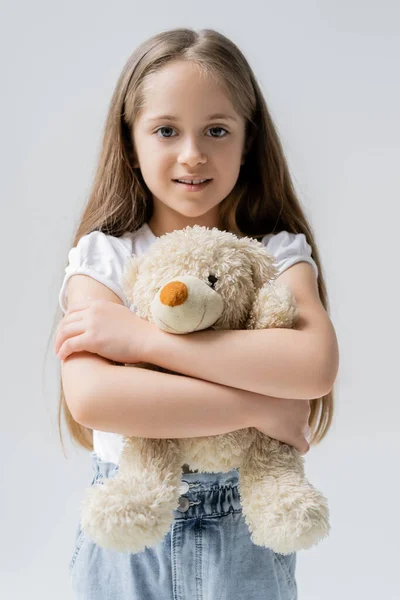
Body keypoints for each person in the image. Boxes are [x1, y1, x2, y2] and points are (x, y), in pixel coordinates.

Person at [54, 27, 339, 600]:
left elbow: (312, 365)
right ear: (130, 141)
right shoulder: (106, 256)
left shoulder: (274, 253)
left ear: (247, 141)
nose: (193, 154)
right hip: (128, 533)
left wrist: (142, 340)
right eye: (165, 130)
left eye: (217, 130)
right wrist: (263, 404)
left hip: (246, 528)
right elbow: (94, 398)